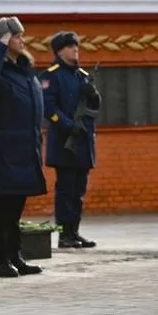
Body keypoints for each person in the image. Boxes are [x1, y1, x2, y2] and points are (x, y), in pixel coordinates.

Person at [0, 17, 47, 279]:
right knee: (1, 207)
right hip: (3, 150)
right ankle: (0, 260)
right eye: (16, 36)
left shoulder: (24, 70)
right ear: (3, 40)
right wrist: (0, 47)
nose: (22, 40)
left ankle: (15, 256)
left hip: (25, 148)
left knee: (15, 208)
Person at [40, 31, 100, 249]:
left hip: (83, 140)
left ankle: (74, 231)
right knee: (66, 189)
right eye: (70, 46)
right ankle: (64, 233)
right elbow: (48, 108)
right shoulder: (51, 76)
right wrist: (67, 125)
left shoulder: (82, 75)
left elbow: (94, 108)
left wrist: (93, 95)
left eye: (76, 46)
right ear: (59, 51)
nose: (75, 50)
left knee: (79, 190)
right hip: (65, 142)